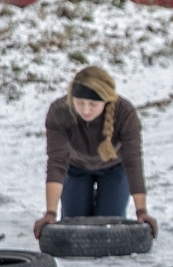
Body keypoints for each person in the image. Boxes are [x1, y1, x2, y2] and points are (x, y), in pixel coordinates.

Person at [34, 66, 158, 239]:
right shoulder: (59, 111)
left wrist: (141, 210)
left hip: (114, 168)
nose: (85, 110)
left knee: (109, 226)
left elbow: (133, 161)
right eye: (80, 103)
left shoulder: (125, 112)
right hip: (76, 168)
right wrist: (50, 213)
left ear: (106, 101)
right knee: (74, 225)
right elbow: (57, 162)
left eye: (93, 104)